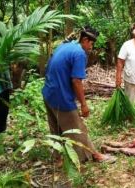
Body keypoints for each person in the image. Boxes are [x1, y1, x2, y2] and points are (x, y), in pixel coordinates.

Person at [42, 26, 116, 163]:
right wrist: (83, 105)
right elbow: (76, 81)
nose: (91, 48)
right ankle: (94, 155)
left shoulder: (66, 45)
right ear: (85, 40)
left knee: (56, 128)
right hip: (60, 95)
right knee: (77, 127)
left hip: (48, 92)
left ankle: (58, 157)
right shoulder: (79, 53)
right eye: (91, 44)